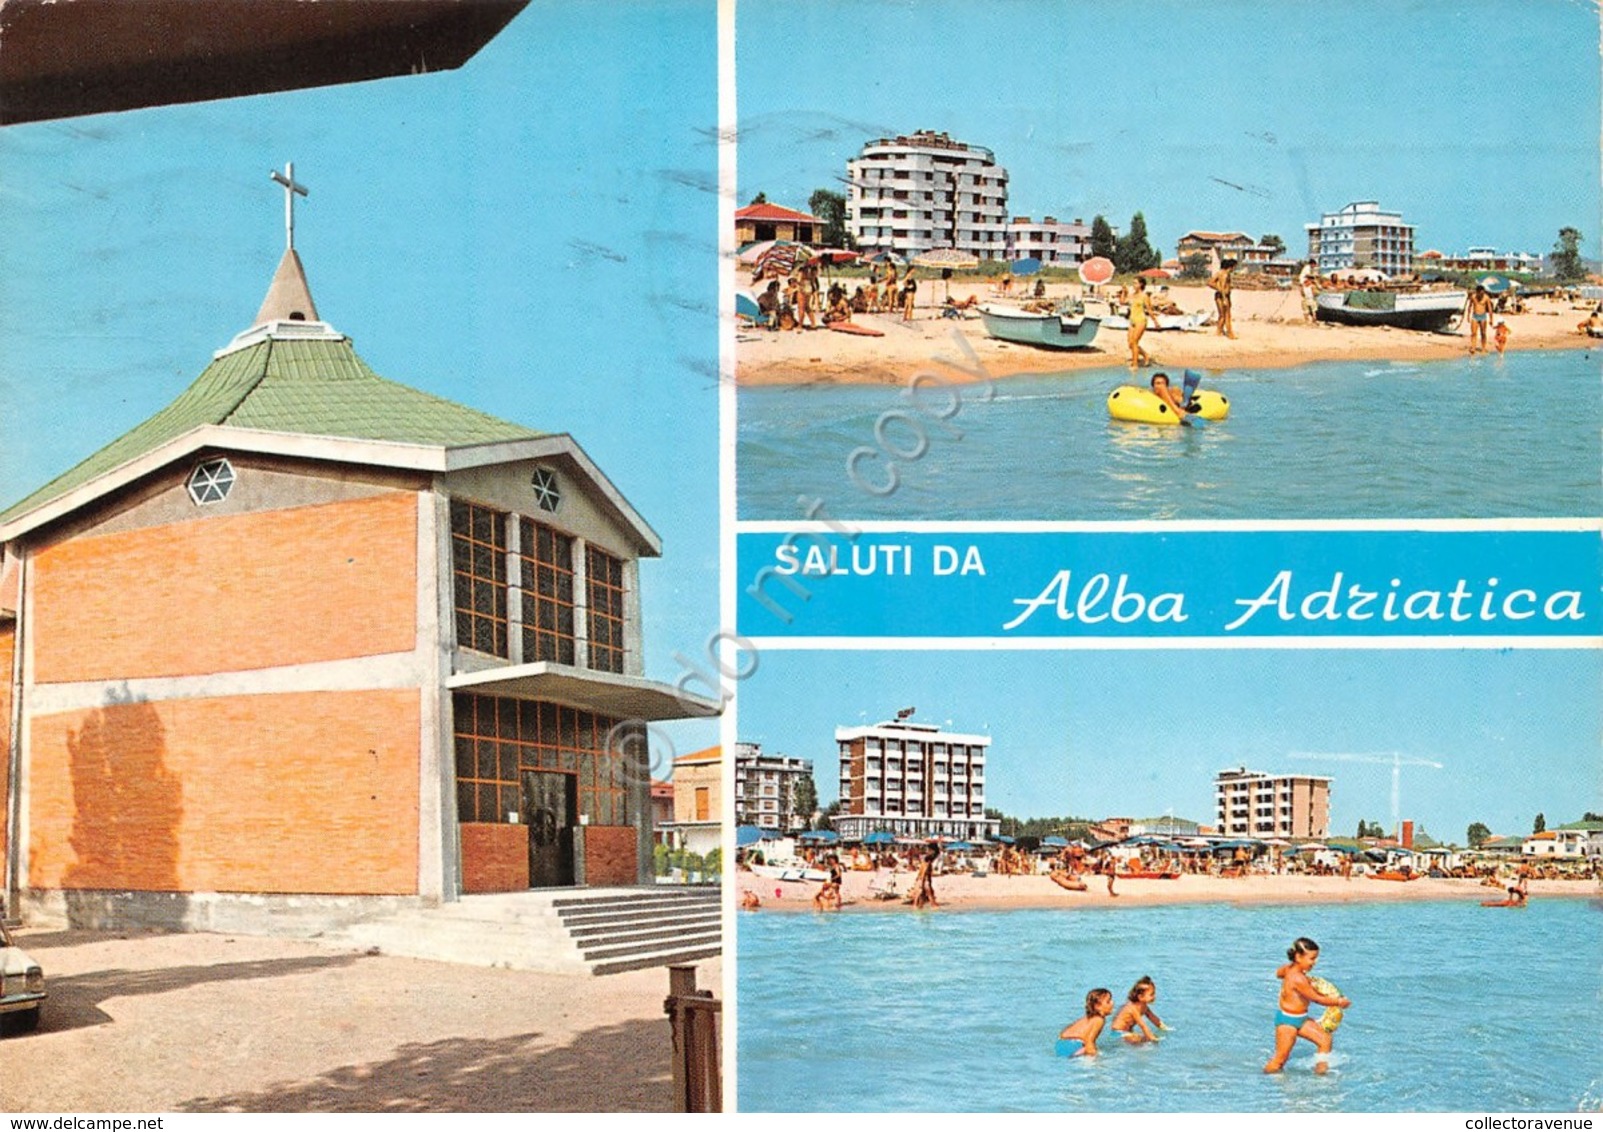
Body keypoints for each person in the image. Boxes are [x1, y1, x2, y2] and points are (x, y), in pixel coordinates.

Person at [1264, 937, 1351, 1075]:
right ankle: (1265, 1082)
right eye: (1312, 958)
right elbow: (1316, 999)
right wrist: (1339, 1002)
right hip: (1287, 1022)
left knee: (1325, 1039)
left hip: (1301, 1018)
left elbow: (1278, 973)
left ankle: (1321, 1075)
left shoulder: (1290, 970)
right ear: (1298, 957)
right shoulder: (1298, 978)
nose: (1315, 962)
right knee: (1280, 1060)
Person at [1057, 988, 1115, 1057]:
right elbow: (1089, 1041)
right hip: (1071, 1046)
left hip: (1061, 1044)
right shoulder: (1099, 1020)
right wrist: (1094, 1057)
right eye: (1108, 1001)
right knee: (1096, 1056)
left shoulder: (1091, 1017)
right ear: (1097, 1006)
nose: (1112, 1003)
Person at [1111, 976, 1167, 1043]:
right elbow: (1142, 1025)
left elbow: (1153, 1018)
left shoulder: (1144, 1006)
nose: (1154, 996)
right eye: (1151, 994)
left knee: (1143, 1039)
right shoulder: (1132, 1008)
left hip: (1127, 1031)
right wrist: (1152, 1038)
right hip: (1117, 1032)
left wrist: (1164, 1027)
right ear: (1140, 997)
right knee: (1142, 1040)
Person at [1127, 276, 1156, 368]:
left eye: (1135, 283)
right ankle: (1145, 355)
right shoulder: (1132, 295)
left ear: (1141, 284)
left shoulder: (1144, 296)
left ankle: (1135, 364)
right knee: (1130, 344)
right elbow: (1122, 301)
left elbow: (1149, 310)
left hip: (1141, 320)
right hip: (1132, 320)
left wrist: (1155, 322)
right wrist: (1124, 291)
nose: (1133, 285)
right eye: (1133, 283)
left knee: (1135, 342)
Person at [1208, 257, 1238, 338]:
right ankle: (1230, 334)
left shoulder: (1219, 273)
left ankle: (1219, 332)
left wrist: (1217, 288)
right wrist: (1224, 298)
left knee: (1222, 315)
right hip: (1223, 296)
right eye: (1234, 267)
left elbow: (1210, 282)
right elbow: (1223, 286)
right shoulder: (1225, 274)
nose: (1234, 269)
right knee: (1227, 315)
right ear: (1231, 266)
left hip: (1219, 295)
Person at [1463, 285, 1494, 353]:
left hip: (1483, 316)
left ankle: (1483, 348)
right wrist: (1468, 316)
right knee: (1473, 333)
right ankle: (1473, 347)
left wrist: (1491, 319)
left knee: (1483, 333)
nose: (1481, 295)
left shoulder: (1486, 297)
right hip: (1475, 316)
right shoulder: (1473, 297)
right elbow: (1470, 306)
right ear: (1477, 292)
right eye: (1480, 293)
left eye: (1483, 293)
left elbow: (1490, 309)